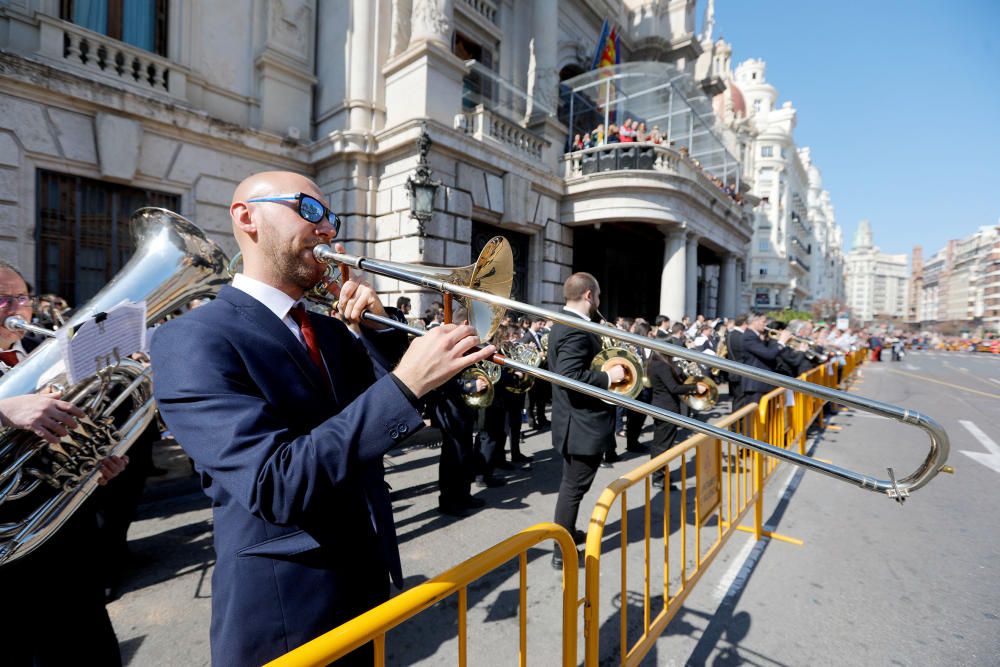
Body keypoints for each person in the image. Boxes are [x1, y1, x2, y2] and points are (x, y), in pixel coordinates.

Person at [149, 171, 494, 665]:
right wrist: (405, 383)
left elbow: (432, 413)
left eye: (331, 218)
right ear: (246, 217)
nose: (328, 229)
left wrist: (378, 333)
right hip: (286, 608)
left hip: (365, 584)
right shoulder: (191, 338)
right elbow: (274, 483)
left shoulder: (333, 333)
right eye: (308, 211)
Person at [0, 261, 128, 665]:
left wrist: (98, 461)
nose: (15, 307)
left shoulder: (46, 354)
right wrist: (4, 410)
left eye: (22, 297)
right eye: (3, 298)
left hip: (66, 542)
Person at [549, 273, 626, 569]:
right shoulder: (575, 329)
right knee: (573, 489)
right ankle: (562, 553)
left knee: (572, 487)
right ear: (590, 296)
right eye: (599, 296)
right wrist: (610, 376)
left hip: (576, 422)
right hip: (581, 425)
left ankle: (566, 533)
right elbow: (569, 376)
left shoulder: (567, 323)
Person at [736, 313, 791, 410]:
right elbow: (769, 355)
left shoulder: (756, 336)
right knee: (754, 419)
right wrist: (781, 342)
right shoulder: (749, 336)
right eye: (763, 321)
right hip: (755, 384)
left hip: (761, 382)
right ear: (754, 321)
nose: (765, 325)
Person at [521, 317, 550, 429]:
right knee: (531, 399)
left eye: (543, 323)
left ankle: (542, 418)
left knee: (541, 398)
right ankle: (531, 421)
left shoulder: (539, 335)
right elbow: (524, 355)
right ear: (533, 323)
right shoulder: (527, 337)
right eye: (540, 323)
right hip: (532, 373)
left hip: (541, 371)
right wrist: (539, 355)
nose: (542, 326)